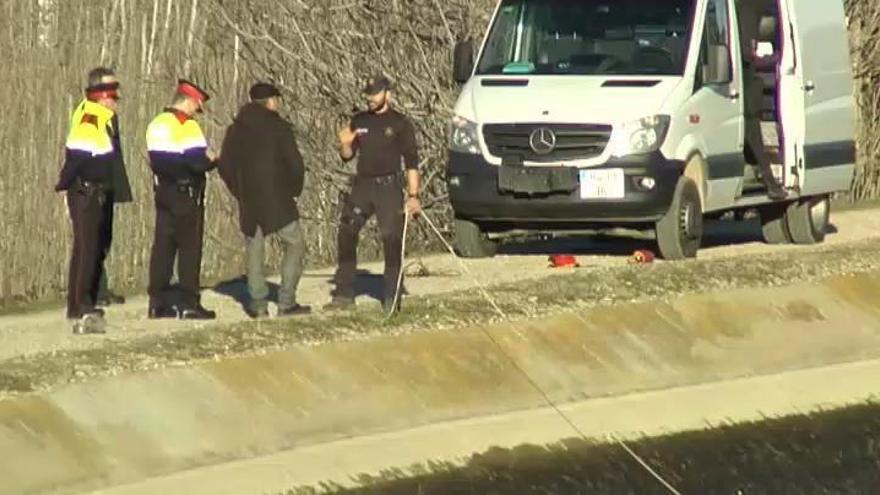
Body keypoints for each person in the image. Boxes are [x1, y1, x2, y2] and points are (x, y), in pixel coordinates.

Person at [325, 74, 422, 313]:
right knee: (346, 231)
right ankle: (344, 294)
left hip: (389, 187)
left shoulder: (400, 123)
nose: (370, 99)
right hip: (363, 186)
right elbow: (347, 156)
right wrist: (345, 144)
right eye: (367, 94)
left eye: (375, 94)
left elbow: (411, 162)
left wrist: (413, 195)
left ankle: (391, 296)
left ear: (387, 94)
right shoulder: (359, 120)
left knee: (391, 239)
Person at [218, 82, 311, 319]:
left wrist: (239, 190)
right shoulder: (278, 127)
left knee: (254, 248)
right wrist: (294, 189)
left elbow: (225, 165)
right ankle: (286, 302)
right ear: (270, 101)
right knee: (294, 244)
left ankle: (258, 304)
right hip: (278, 197)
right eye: (276, 99)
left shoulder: (235, 130)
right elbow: (294, 164)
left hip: (248, 199)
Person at [145, 79, 218, 320]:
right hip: (186, 194)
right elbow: (197, 163)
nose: (197, 110)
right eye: (196, 105)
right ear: (187, 101)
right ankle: (189, 302)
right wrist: (212, 159)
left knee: (164, 248)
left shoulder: (156, 124)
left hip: (163, 191)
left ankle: (158, 302)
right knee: (189, 248)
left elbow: (158, 161)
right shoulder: (187, 126)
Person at [54, 77, 123, 333]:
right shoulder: (90, 120)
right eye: (113, 98)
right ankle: (81, 305)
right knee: (87, 250)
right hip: (86, 192)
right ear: (102, 98)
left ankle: (78, 303)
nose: (116, 103)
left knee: (87, 249)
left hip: (92, 191)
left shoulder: (100, 119)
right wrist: (63, 184)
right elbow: (78, 158)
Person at [84, 67, 133, 307]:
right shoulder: (89, 117)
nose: (116, 98)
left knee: (104, 238)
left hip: (108, 185)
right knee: (92, 239)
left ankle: (100, 289)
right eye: (111, 91)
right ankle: (90, 292)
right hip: (92, 187)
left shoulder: (110, 118)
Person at [736, 3, 786, 200]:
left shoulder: (743, 8)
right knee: (751, 130)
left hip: (745, 81)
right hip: (744, 80)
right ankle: (769, 180)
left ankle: (769, 180)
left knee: (752, 130)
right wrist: (774, 58)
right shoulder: (745, 9)